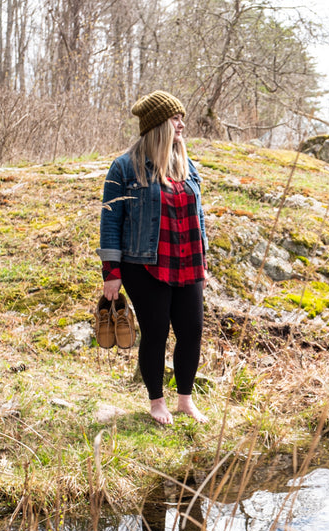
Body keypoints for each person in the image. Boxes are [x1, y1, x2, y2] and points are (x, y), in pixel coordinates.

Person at [97, 90, 209, 424]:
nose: (182, 124)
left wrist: (204, 260)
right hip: (144, 265)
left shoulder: (187, 167)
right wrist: (111, 272)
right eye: (176, 118)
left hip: (188, 262)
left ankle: (185, 400)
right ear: (159, 124)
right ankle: (157, 402)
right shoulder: (124, 167)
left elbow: (199, 216)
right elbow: (110, 220)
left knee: (191, 331)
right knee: (156, 332)